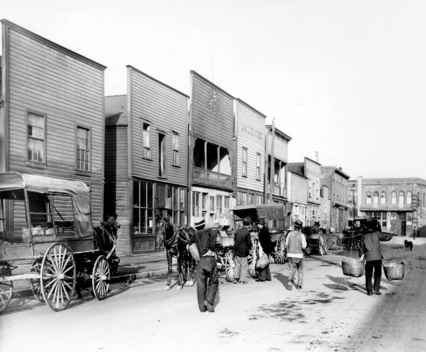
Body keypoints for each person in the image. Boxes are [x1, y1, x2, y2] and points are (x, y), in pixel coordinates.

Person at [190, 218, 220, 313]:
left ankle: (202, 307)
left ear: (196, 227)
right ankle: (209, 301)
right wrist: (211, 250)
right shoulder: (210, 231)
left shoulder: (195, 235)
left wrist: (197, 256)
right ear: (204, 224)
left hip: (200, 261)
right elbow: (214, 241)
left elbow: (190, 245)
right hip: (210, 260)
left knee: (201, 284)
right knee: (214, 281)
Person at [359, 220, 394, 296]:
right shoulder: (377, 234)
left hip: (368, 258)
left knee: (368, 274)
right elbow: (385, 237)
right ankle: (376, 289)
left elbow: (361, 248)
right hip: (377, 257)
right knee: (377, 274)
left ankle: (369, 291)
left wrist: (361, 256)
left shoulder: (364, 236)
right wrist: (391, 234)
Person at [286, 220, 307, 289]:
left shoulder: (289, 234)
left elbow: (286, 244)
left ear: (294, 227)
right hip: (299, 255)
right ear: (300, 228)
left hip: (291, 255)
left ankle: (289, 282)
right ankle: (299, 285)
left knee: (291, 269)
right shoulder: (302, 235)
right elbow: (304, 246)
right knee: (300, 271)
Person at [233, 216, 253, 284]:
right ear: (248, 224)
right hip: (244, 251)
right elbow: (249, 243)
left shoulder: (238, 231)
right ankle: (242, 280)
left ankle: (236, 279)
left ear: (243, 223)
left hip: (236, 250)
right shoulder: (247, 232)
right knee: (244, 265)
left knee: (237, 265)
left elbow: (235, 240)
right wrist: (250, 248)